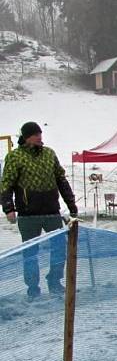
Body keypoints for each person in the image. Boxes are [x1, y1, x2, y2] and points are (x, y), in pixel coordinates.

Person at [1, 122, 78, 300]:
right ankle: (33, 288)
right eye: (35, 134)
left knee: (59, 248)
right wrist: (8, 208)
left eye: (40, 133)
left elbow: (61, 180)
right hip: (28, 215)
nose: (39, 137)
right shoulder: (15, 157)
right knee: (30, 253)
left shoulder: (49, 153)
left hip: (51, 211)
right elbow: (7, 184)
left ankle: (54, 281)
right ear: (26, 137)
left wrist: (71, 204)